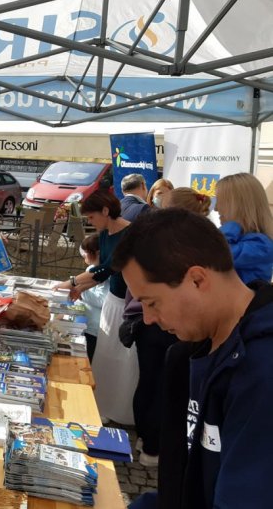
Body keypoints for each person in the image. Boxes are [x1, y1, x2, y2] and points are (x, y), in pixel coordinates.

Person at [115, 209, 273, 509]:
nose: (147, 318)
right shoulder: (189, 354)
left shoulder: (261, 371)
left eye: (151, 302)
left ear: (197, 279)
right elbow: (182, 488)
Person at [123, 186, 208, 467]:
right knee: (159, 385)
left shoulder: (159, 236)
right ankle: (152, 443)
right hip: (163, 325)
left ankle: (148, 441)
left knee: (152, 382)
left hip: (159, 325)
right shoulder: (192, 241)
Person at [55, 190, 136, 425]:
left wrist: (72, 283)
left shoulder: (129, 233)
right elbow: (99, 275)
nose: (90, 223)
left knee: (122, 358)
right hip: (112, 299)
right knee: (105, 356)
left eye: (91, 218)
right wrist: (80, 287)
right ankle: (103, 405)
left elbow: (107, 269)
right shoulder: (104, 234)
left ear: (105, 211)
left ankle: (119, 409)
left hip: (126, 302)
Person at [214, 172, 273, 284]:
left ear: (238, 205)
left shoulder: (262, 245)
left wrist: (233, 224)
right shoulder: (235, 237)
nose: (216, 208)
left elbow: (216, 254)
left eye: (220, 202)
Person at [75, 233, 108, 362]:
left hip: (95, 327)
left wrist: (80, 292)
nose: (83, 256)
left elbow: (102, 300)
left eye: (86, 253)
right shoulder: (91, 268)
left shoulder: (105, 273)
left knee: (89, 359)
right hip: (86, 321)